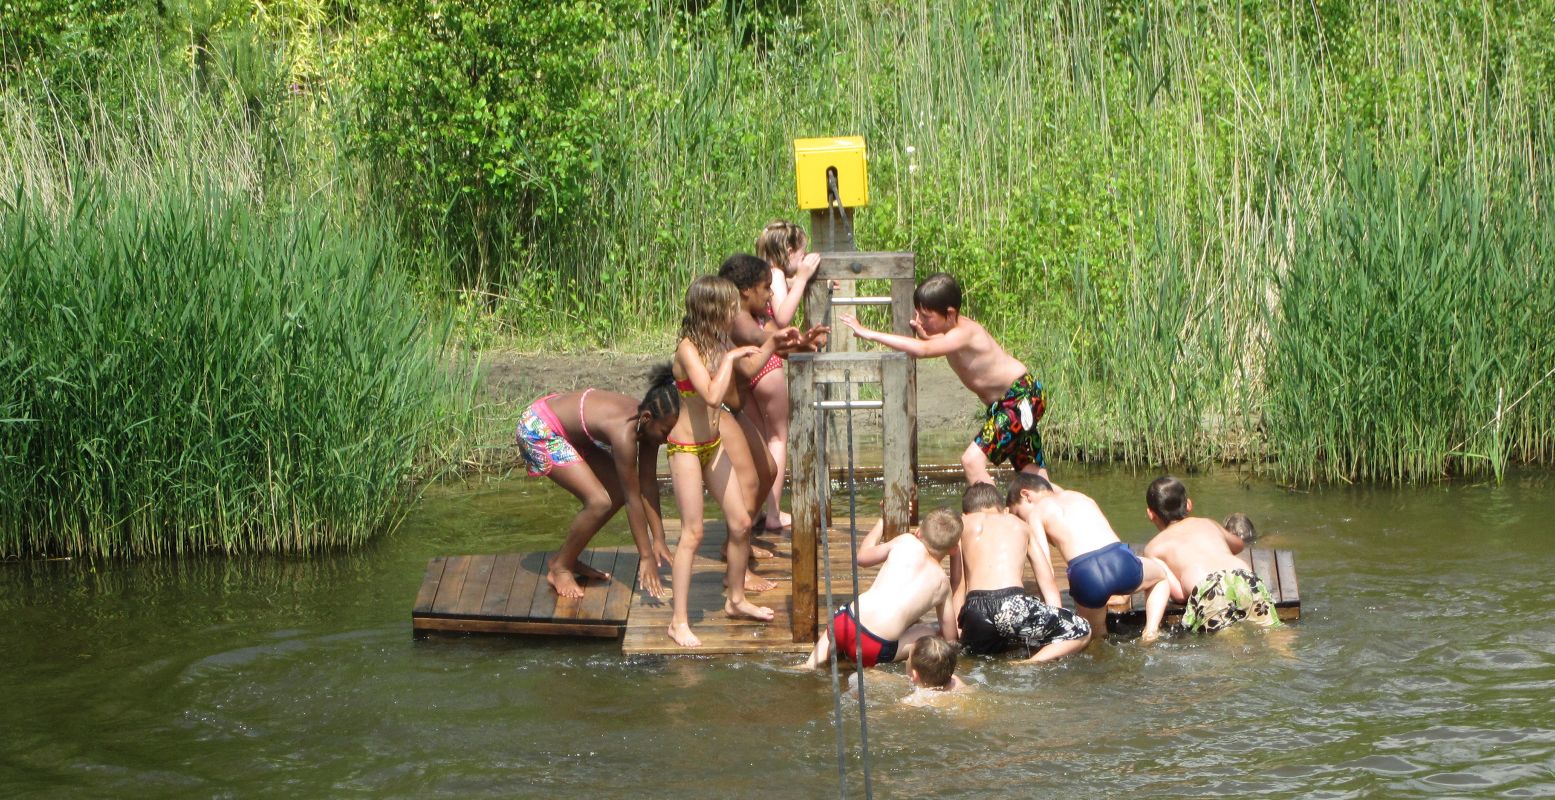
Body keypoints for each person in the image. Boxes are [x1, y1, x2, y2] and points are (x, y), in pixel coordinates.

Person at [838, 272, 1048, 485]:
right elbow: (933, 342)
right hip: (1014, 401)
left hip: (1021, 397)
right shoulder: (951, 333)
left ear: (950, 314)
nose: (920, 321)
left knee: (972, 461)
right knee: (1032, 476)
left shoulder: (964, 332)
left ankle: (989, 516)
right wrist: (925, 333)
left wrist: (868, 333)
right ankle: (1066, 508)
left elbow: (924, 350)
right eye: (918, 314)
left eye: (926, 317)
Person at [665, 276, 771, 648]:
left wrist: (779, 340)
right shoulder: (688, 349)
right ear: (711, 310)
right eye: (729, 307)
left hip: (712, 444)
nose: (734, 313)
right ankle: (678, 621)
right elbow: (712, 395)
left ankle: (736, 599)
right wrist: (729, 357)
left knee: (741, 523)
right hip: (686, 450)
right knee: (692, 534)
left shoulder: (718, 341)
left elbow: (753, 361)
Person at [515, 377, 682, 599]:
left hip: (573, 434)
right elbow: (634, 499)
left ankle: (568, 558)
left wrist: (659, 538)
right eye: (665, 432)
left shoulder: (648, 427)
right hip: (538, 429)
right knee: (599, 501)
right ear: (648, 418)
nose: (668, 439)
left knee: (616, 494)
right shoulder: (625, 433)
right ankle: (560, 567)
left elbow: (648, 484)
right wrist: (646, 556)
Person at [717, 253, 828, 536]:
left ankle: (746, 532)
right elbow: (762, 340)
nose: (770, 294)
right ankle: (736, 544)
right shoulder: (736, 318)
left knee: (766, 470)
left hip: (737, 408)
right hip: (722, 412)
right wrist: (799, 342)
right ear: (745, 291)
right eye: (766, 288)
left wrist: (806, 344)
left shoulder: (757, 315)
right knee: (753, 476)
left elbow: (779, 345)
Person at [1007, 472, 1181, 642]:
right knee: (1160, 577)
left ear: (1026, 495)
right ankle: (1150, 631)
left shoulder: (1036, 514)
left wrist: (1052, 617)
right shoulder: (1079, 496)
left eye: (1018, 513)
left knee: (1095, 640)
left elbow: (1045, 570)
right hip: (1118, 559)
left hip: (1086, 574)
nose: (1021, 520)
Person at [797, 508, 963, 671]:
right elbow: (950, 638)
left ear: (918, 532)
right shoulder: (942, 584)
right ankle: (864, 667)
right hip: (874, 647)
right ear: (953, 549)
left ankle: (809, 664)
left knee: (841, 623)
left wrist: (882, 522)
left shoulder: (905, 541)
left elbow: (862, 558)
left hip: (843, 622)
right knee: (931, 632)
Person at [952, 482, 1090, 661]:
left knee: (979, 661)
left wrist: (957, 632)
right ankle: (1031, 663)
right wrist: (1054, 621)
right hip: (1013, 606)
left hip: (975, 611)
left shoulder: (963, 525)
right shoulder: (1020, 525)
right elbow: (1047, 580)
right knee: (1082, 630)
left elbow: (957, 582)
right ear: (1005, 510)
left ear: (966, 514)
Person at [752, 223, 824, 530]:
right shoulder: (778, 275)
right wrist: (804, 277)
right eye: (802, 250)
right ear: (790, 251)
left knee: (756, 438)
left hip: (751, 360)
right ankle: (773, 512)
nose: (805, 256)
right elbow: (782, 316)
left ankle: (753, 508)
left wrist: (801, 281)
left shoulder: (761, 274)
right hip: (770, 365)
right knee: (778, 438)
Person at [1143, 476, 1280, 637]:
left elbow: (1179, 595)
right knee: (1275, 631)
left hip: (1209, 589)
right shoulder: (1208, 523)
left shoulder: (1153, 548)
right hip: (1245, 577)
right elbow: (1238, 545)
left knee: (1230, 641)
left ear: (1151, 514)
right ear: (1188, 505)